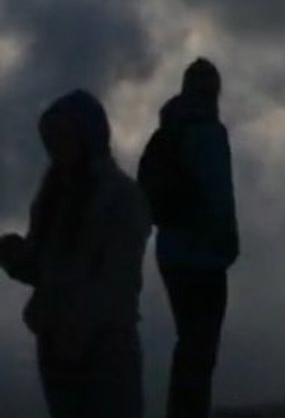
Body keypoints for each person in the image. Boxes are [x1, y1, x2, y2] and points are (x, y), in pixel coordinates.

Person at [0, 89, 151, 418]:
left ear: (88, 135)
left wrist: (77, 326)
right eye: (50, 138)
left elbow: (118, 279)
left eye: (63, 136)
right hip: (57, 346)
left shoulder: (120, 197)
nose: (55, 147)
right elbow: (45, 268)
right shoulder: (54, 193)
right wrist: (13, 255)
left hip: (104, 346)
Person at [139, 57, 239, 418]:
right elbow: (218, 195)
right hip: (205, 254)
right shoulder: (210, 132)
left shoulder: (166, 132)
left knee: (188, 344)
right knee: (201, 348)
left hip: (170, 251)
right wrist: (228, 245)